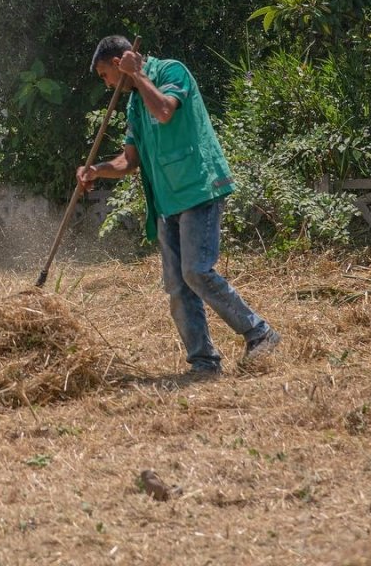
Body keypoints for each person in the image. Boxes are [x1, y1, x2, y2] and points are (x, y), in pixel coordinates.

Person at [76, 35, 280, 377]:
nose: (107, 84)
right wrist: (96, 170)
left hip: (199, 186)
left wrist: (138, 77)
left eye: (105, 75)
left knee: (196, 270)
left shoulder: (171, 71)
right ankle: (203, 361)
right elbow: (130, 161)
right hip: (167, 200)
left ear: (118, 64)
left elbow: (166, 111)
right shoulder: (134, 106)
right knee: (177, 284)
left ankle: (260, 333)